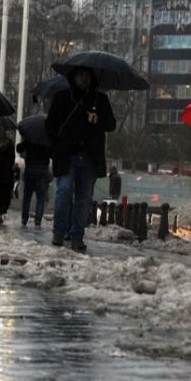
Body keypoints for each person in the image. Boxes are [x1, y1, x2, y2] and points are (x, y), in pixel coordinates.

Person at [46, 67, 116, 252]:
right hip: (67, 154)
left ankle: (77, 235)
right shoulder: (63, 97)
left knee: (84, 198)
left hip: (89, 156)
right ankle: (59, 232)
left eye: (87, 76)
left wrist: (97, 119)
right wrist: (57, 145)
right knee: (64, 191)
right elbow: (50, 125)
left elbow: (111, 124)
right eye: (80, 75)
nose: (84, 79)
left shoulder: (99, 100)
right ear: (74, 77)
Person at [17, 139, 52, 227]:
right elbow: (52, 154)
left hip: (30, 169)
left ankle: (24, 219)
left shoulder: (30, 138)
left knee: (27, 197)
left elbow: (19, 148)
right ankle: (38, 221)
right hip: (42, 170)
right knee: (40, 198)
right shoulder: (46, 140)